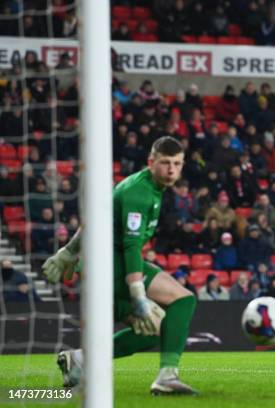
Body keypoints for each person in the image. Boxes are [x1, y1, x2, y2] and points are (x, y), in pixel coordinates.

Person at [41, 137, 198, 395]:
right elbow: (131, 246)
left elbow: (99, 214)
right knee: (183, 300)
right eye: (166, 163)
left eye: (177, 164)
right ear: (151, 162)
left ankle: (79, 360)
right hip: (111, 264)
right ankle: (167, 376)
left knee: (153, 331)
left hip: (103, 263)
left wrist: (69, 251)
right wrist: (138, 292)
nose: (172, 170)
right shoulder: (140, 192)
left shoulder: (147, 186)